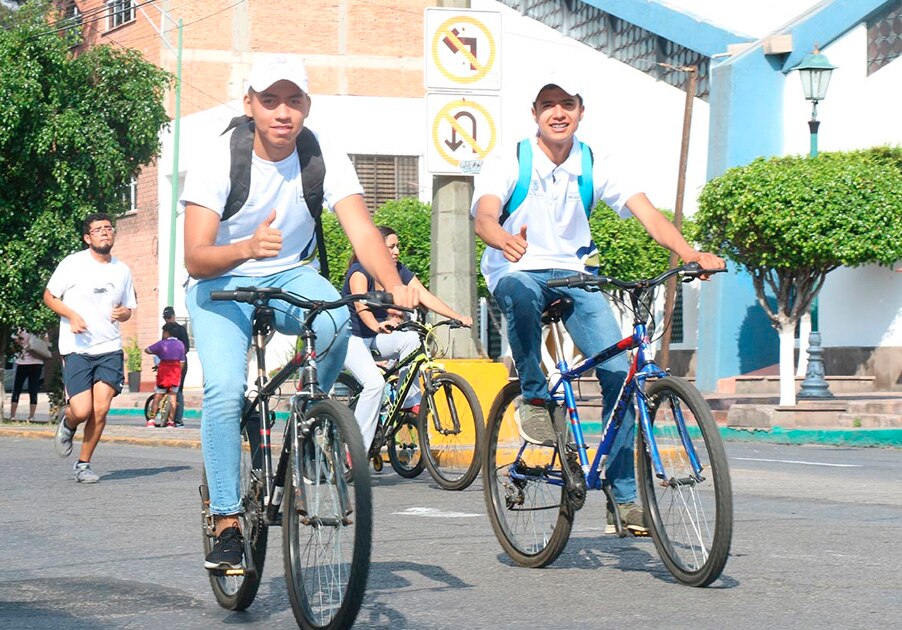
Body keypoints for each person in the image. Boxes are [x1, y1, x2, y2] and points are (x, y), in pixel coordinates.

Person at [181, 54, 418, 571]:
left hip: (289, 272)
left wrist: (395, 285)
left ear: (307, 106)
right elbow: (195, 258)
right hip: (219, 280)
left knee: (334, 322)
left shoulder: (321, 154)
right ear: (250, 104)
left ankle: (308, 423)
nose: (282, 112)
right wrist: (245, 248)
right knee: (224, 390)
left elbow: (362, 231)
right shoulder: (219, 158)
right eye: (269, 100)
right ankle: (226, 520)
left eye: (293, 100)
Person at [471, 76, 725, 534]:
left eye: (567, 103)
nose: (558, 112)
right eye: (548, 104)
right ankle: (534, 395)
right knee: (521, 292)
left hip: (577, 276)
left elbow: (648, 214)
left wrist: (690, 253)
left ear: (580, 111)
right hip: (517, 269)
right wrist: (502, 238)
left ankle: (623, 496)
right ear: (535, 113)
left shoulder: (594, 163)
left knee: (620, 375)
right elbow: (484, 215)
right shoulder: (509, 160)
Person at [341, 225, 473, 453]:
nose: (397, 251)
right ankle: (356, 450)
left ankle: (409, 400)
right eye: (391, 247)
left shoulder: (399, 271)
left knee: (412, 338)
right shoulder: (359, 271)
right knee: (375, 384)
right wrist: (377, 325)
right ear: (376, 249)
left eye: (397, 246)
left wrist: (457, 316)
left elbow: (424, 295)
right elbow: (361, 307)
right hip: (352, 338)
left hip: (377, 336)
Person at [44, 213, 136, 484]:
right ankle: (68, 422)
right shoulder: (72, 264)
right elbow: (49, 297)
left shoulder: (122, 270)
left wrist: (124, 314)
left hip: (109, 347)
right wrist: (72, 316)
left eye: (108, 228)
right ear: (87, 238)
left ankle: (83, 464)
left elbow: (128, 309)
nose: (105, 232)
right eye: (98, 230)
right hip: (77, 348)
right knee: (82, 410)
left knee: (101, 409)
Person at [144, 323, 187, 427]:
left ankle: (151, 420)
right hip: (175, 374)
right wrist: (178, 372)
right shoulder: (181, 345)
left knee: (158, 396)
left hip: (164, 373)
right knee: (173, 397)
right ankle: (170, 422)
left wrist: (158, 353)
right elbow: (182, 362)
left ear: (166, 332)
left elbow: (147, 350)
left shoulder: (161, 344)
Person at [10, 330, 48, 421]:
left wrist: (22, 345)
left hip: (22, 363)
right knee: (33, 390)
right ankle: (31, 416)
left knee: (17, 389)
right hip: (37, 362)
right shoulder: (41, 330)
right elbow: (46, 344)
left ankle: (13, 416)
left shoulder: (20, 329)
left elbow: (13, 346)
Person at [162, 306, 190, 427]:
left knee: (177, 390)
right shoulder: (165, 330)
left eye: (169, 317)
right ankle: (166, 416)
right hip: (167, 363)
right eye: (165, 318)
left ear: (173, 316)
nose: (167, 320)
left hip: (179, 362)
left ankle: (178, 420)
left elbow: (186, 347)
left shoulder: (181, 330)